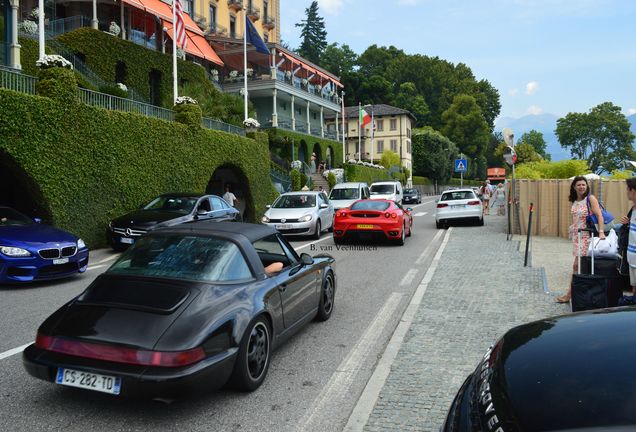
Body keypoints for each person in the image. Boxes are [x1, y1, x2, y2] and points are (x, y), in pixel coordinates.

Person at [556, 176, 606, 303]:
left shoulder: (590, 199)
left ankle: (570, 295)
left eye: (583, 184)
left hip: (587, 236)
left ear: (587, 186)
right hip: (577, 237)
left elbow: (599, 216)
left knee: (577, 266)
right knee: (579, 266)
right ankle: (577, 294)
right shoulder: (575, 200)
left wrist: (601, 232)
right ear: (574, 186)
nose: (581, 187)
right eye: (579, 185)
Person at [619, 178, 636, 294]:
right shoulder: (633, 209)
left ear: (633, 191)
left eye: (627, 189)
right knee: (634, 287)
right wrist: (628, 224)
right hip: (632, 257)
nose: (626, 192)